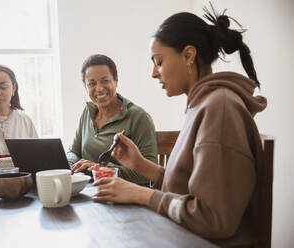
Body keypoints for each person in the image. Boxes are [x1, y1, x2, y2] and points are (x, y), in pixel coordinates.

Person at [92, 6, 267, 245]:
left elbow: (213, 218)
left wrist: (139, 193)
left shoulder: (220, 109)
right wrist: (141, 165)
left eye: (159, 62)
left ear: (188, 55)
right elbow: (188, 188)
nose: (154, 73)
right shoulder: (203, 105)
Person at [68, 54, 157, 186]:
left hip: (127, 198)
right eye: (92, 83)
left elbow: (147, 175)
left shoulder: (139, 117)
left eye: (105, 81)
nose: (99, 88)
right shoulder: (87, 112)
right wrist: (70, 165)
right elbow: (74, 151)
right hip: (90, 192)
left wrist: (99, 169)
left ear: (116, 80)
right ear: (85, 86)